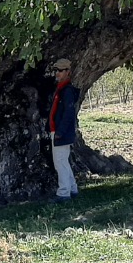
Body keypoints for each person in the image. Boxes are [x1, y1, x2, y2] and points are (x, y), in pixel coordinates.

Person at [48, 58, 80, 201]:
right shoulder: (61, 89)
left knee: (59, 162)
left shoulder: (66, 91)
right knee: (63, 161)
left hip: (61, 132)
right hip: (59, 131)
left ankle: (63, 193)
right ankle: (72, 188)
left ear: (68, 72)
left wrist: (60, 131)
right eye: (56, 70)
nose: (57, 73)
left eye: (60, 71)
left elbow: (69, 113)